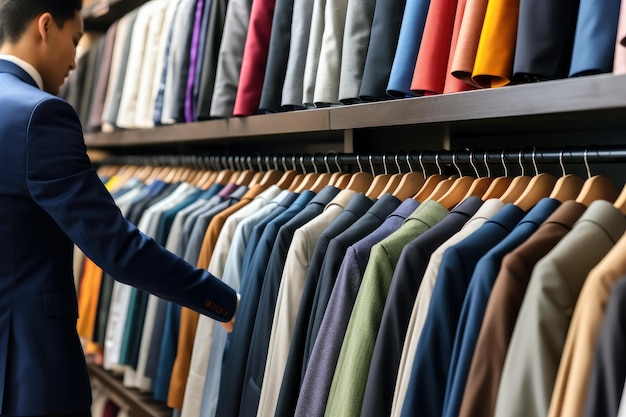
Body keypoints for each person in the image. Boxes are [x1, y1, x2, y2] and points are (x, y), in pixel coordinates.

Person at [0, 1, 239, 416]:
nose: (75, 61)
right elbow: (116, 248)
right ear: (44, 26)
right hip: (29, 363)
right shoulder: (41, 115)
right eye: (74, 41)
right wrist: (220, 299)